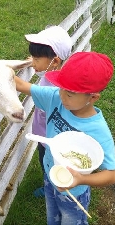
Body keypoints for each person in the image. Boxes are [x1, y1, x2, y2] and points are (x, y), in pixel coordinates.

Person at [15, 51, 115, 224]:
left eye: (69, 94)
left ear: (92, 97)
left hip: (74, 191)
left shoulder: (97, 130)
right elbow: (21, 85)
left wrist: (81, 180)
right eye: (61, 87)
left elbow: (112, 174)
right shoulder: (56, 97)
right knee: (52, 216)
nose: (62, 95)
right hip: (51, 175)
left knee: (71, 220)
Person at [24, 25, 72, 197]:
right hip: (42, 134)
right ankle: (48, 185)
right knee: (44, 162)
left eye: (36, 59)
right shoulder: (48, 72)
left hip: (54, 139)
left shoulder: (59, 88)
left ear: (55, 61)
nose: (32, 62)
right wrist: (35, 61)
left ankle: (55, 190)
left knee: (55, 165)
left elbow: (21, 85)